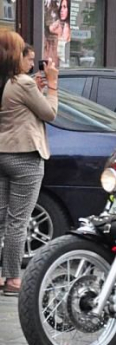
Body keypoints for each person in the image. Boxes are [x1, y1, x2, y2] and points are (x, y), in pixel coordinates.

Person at [0, 30, 59, 296]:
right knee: (17, 221)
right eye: (26, 56)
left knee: (2, 220)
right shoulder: (21, 83)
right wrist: (53, 84)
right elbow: (50, 113)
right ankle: (12, 279)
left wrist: (35, 87)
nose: (31, 63)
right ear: (15, 56)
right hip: (25, 157)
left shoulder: (7, 83)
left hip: (3, 155)